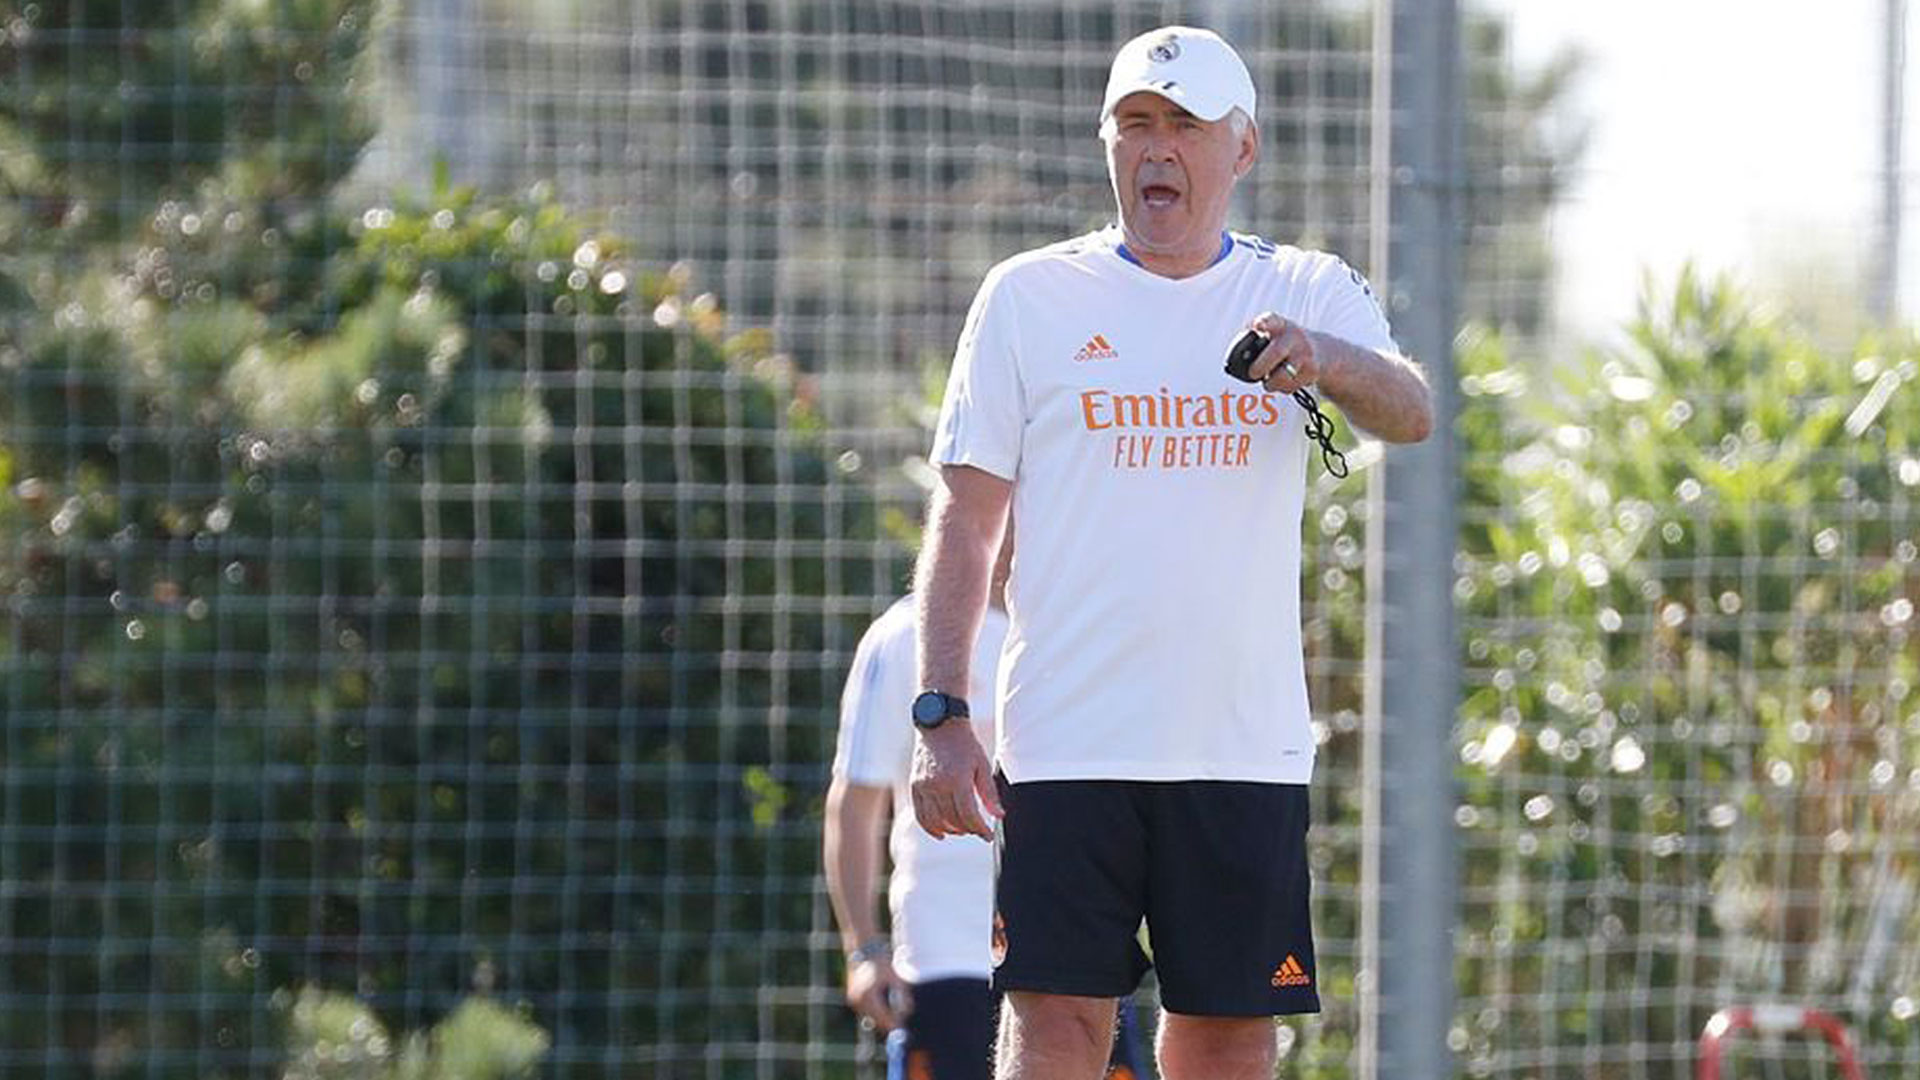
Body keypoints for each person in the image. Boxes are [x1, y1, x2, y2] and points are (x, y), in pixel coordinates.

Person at [905, 24, 1434, 1080]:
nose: (1160, 149)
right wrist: (942, 716)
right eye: (1137, 123)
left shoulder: (1306, 286)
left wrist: (1323, 359)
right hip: (1065, 744)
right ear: (1107, 144)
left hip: (1240, 746)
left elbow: (1413, 409)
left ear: (1242, 149)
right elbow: (964, 520)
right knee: (1054, 1024)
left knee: (1230, 1034)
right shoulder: (1027, 297)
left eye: (1186, 125)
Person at [825, 535, 1146, 1080]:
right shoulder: (905, 637)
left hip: (1076, 950)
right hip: (944, 959)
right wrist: (864, 950)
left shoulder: (1082, 629)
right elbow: (856, 802)